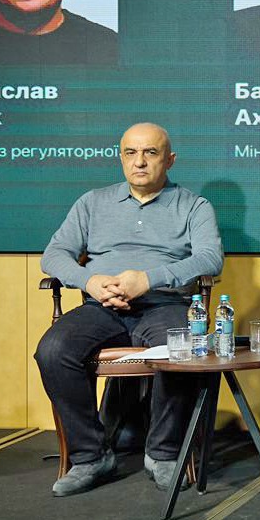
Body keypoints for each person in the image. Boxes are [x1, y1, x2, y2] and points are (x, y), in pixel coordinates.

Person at [35, 123, 224, 496]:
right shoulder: (92, 202)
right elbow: (54, 255)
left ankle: (164, 453)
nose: (139, 162)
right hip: (101, 306)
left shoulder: (193, 206)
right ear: (120, 157)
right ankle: (90, 456)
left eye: (150, 153)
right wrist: (90, 281)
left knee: (181, 348)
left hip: (165, 304)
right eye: (130, 153)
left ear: (169, 160)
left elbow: (209, 258)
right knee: (53, 351)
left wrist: (148, 279)